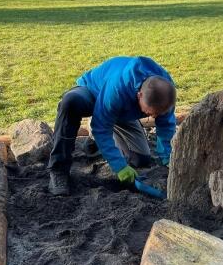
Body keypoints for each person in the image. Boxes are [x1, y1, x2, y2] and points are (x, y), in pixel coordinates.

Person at [48, 56, 176, 196]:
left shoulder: (165, 91)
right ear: (139, 95)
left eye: (157, 114)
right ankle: (58, 169)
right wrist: (120, 167)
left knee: (140, 159)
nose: (153, 117)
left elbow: (166, 124)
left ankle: (100, 140)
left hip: (123, 112)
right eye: (149, 113)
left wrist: (167, 158)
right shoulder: (118, 87)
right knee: (70, 103)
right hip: (94, 93)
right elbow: (101, 128)